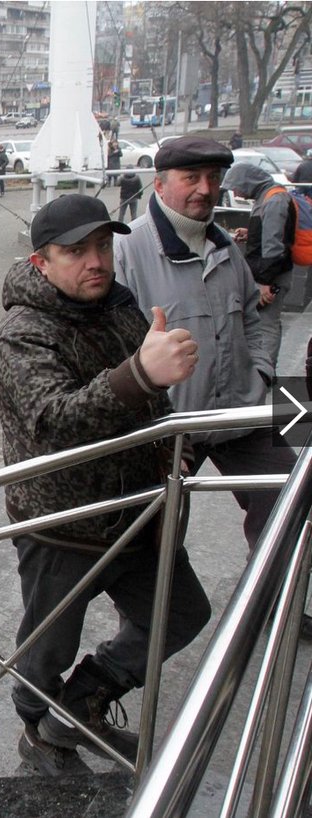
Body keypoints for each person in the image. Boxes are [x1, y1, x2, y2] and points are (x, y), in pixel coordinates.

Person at [0, 194, 211, 776]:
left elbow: (151, 404)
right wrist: (141, 374)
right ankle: (37, 727)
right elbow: (53, 420)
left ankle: (79, 704)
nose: (96, 261)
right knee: (48, 648)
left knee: (182, 614)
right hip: (63, 526)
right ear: (41, 263)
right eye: (76, 251)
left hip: (139, 512)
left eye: (103, 246)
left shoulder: (120, 306)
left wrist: (175, 446)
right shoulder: (20, 335)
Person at [114, 136, 298, 568]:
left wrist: (261, 371)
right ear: (160, 184)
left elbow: (255, 316)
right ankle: (157, 609)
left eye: (213, 178)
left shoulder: (226, 246)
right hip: (171, 426)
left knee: (292, 498)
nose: (205, 189)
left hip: (240, 409)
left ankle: (271, 595)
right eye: (191, 178)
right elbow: (113, 344)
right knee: (155, 538)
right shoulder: (128, 250)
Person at [222, 162, 296, 371]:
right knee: (268, 322)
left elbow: (274, 247)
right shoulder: (268, 196)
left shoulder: (274, 200)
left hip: (271, 277)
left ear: (248, 182)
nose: (236, 193)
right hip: (270, 273)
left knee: (266, 324)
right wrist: (251, 233)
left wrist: (265, 283)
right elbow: (273, 232)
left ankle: (264, 373)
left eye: (237, 187)